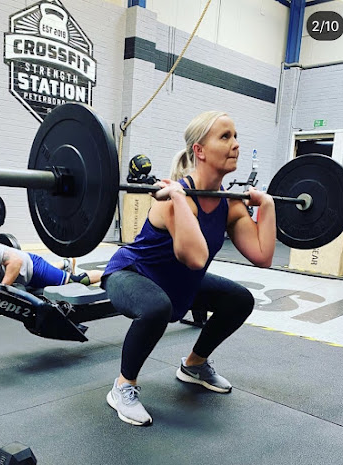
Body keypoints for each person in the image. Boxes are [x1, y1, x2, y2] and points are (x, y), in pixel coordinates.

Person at [101, 110, 276, 426]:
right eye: (225, 137)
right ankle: (123, 386)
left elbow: (262, 255)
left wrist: (268, 205)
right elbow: (195, 257)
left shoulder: (230, 203)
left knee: (240, 299)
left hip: (179, 281)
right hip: (132, 273)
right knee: (156, 307)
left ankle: (194, 365)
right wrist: (179, 199)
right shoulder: (173, 198)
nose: (235, 144)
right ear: (200, 150)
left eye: (236, 136)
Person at [0, 238, 103, 288]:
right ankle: (65, 263)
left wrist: (3, 289)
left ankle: (110, 273)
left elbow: (15, 261)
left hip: (33, 270)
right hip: (26, 273)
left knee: (78, 281)